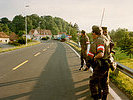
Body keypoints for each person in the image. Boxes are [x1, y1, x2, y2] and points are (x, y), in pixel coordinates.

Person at [88, 25, 110, 100]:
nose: (91, 34)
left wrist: (94, 58)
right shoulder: (105, 38)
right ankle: (104, 98)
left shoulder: (99, 40)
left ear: (95, 33)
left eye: (92, 32)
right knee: (104, 83)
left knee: (93, 83)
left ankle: (96, 98)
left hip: (101, 65)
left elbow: (101, 54)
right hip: (106, 64)